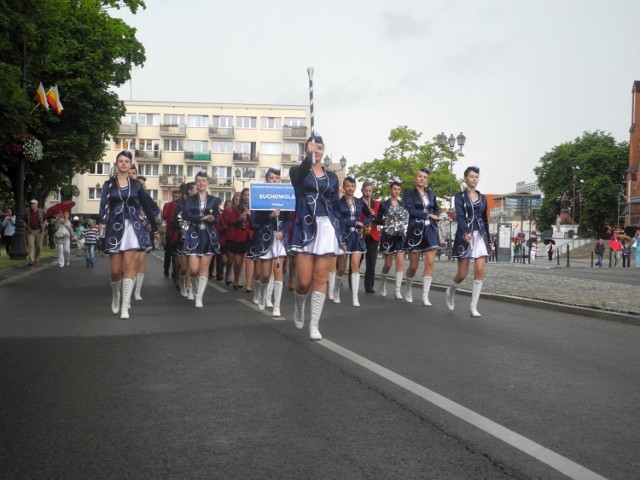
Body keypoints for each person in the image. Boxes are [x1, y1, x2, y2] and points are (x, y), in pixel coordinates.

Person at [289, 134, 344, 340]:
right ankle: (299, 304)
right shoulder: (298, 172)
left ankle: (314, 325)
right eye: (313, 147)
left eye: (320, 147)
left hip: (327, 228)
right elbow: (300, 174)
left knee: (321, 277)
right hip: (305, 227)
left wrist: (342, 237)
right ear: (307, 150)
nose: (317, 151)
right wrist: (308, 158)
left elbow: (336, 208)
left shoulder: (332, 177)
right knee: (303, 282)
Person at [99, 151, 161, 319]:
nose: (124, 163)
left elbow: (148, 207)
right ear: (116, 164)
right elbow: (104, 204)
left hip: (132, 227)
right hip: (114, 227)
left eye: (127, 161)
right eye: (121, 161)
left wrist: (154, 229)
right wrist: (101, 221)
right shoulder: (108, 185)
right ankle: (116, 296)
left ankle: (125, 306)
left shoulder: (136, 186)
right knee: (115, 271)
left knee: (129, 267)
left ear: (131, 164)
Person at [445, 165, 490, 317]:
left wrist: (488, 241)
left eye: (476, 177)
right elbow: (460, 216)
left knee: (479, 270)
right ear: (465, 178)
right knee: (462, 274)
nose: (474, 179)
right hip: (464, 236)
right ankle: (450, 292)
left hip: (480, 236)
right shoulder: (460, 196)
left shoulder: (483, 198)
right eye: (471, 176)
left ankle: (473, 306)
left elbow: (485, 219)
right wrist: (464, 232)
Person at [248, 166, 292, 317]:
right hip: (264, 238)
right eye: (271, 178)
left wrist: (282, 231)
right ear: (266, 180)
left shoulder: (284, 197)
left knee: (278, 272)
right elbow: (253, 223)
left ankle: (276, 306)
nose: (274, 181)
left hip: (279, 239)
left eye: (277, 178)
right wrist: (270, 215)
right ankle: (260, 294)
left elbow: (287, 220)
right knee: (265, 275)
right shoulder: (258, 197)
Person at [180, 169, 221, 308]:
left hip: (209, 235)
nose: (201, 183)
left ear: (207, 183)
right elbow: (185, 215)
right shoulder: (190, 200)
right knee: (193, 270)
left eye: (203, 181)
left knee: (204, 268)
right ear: (196, 183)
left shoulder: (214, 200)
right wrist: (201, 218)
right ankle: (193, 288)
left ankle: (199, 297)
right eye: (198, 181)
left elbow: (217, 219)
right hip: (193, 235)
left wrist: (212, 218)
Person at [403, 167, 441, 306]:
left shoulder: (431, 194)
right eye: (420, 176)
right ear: (415, 178)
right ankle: (408, 289)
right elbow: (410, 209)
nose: (422, 179)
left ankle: (425, 296)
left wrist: (436, 216)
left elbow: (435, 207)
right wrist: (427, 215)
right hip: (415, 229)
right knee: (413, 266)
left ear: (427, 180)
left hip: (430, 229)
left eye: (425, 177)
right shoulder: (409, 193)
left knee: (430, 262)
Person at [334, 175, 373, 307]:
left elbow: (370, 215)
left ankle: (355, 297)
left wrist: (364, 223)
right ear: (344, 187)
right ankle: (336, 291)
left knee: (355, 266)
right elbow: (339, 219)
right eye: (347, 186)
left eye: (352, 186)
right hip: (343, 236)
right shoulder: (339, 202)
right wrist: (356, 222)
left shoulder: (360, 202)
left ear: (355, 187)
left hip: (357, 236)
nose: (350, 188)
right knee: (341, 268)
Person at [375, 178, 408, 299]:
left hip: (400, 235)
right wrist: (385, 220)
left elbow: (406, 218)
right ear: (390, 190)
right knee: (388, 264)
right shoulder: (384, 204)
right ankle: (383, 284)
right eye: (394, 189)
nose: (396, 191)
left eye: (399, 189)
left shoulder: (403, 204)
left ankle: (397, 290)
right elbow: (377, 219)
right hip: (388, 235)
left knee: (400, 261)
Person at [360, 180, 380, 293]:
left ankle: (369, 286)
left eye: (370, 191)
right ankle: (352, 283)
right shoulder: (357, 202)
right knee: (357, 260)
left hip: (372, 234)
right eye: (366, 191)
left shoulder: (377, 204)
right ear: (362, 190)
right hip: (360, 233)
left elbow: (379, 220)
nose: (368, 193)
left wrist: (374, 216)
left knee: (371, 262)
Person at [162, 189, 181, 279]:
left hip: (177, 232)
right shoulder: (168, 205)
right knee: (169, 252)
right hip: (170, 232)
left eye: (177, 197)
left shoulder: (180, 206)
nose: (175, 198)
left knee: (175, 253)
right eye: (174, 196)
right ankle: (166, 269)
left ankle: (174, 270)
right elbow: (164, 216)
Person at [24, 199, 45, 266]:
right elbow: (23, 221)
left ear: (37, 205)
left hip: (39, 231)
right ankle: (31, 260)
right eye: (31, 204)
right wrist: (27, 227)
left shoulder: (41, 211)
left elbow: (45, 220)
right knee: (31, 246)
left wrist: (43, 226)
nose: (32, 205)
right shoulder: (27, 211)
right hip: (30, 231)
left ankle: (37, 259)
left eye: (33, 204)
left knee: (39, 247)